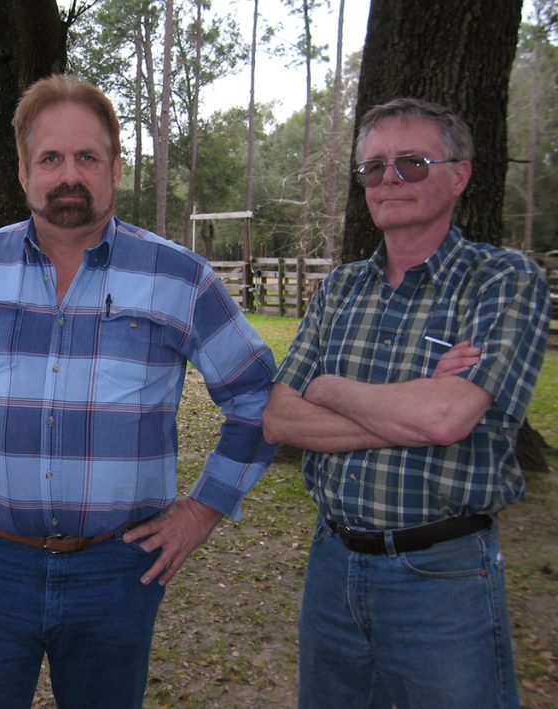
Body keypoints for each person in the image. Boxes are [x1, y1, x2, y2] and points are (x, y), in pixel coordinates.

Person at [0, 74, 277, 708]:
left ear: (116, 169)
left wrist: (201, 514)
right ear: (23, 172)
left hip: (118, 571)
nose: (69, 175)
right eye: (51, 158)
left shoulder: (181, 279)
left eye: (87, 157)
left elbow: (256, 399)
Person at [262, 98, 551, 708]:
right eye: (374, 167)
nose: (389, 178)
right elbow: (280, 418)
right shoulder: (339, 288)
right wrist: (412, 409)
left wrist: (330, 388)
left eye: (412, 163)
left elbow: (446, 417)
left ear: (459, 174)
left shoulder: (503, 280)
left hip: (443, 577)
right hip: (332, 569)